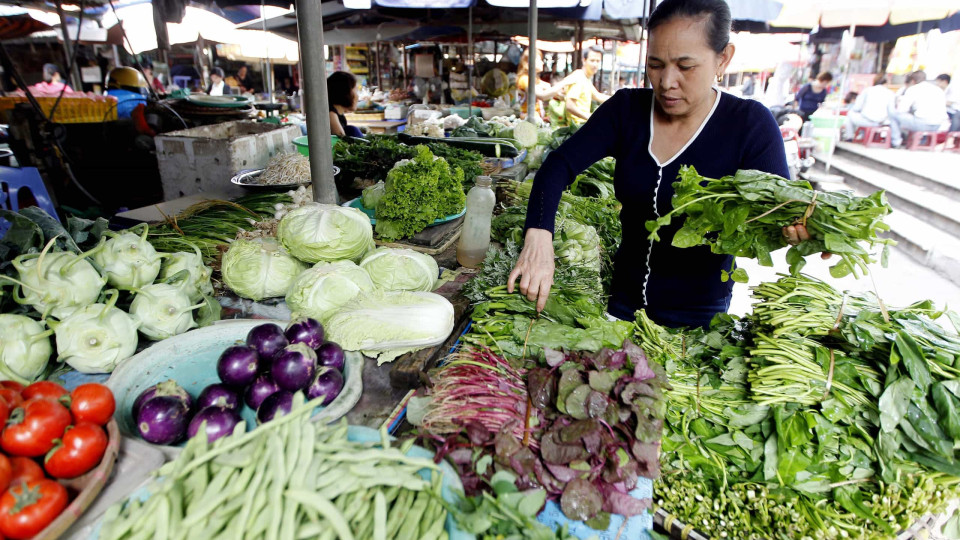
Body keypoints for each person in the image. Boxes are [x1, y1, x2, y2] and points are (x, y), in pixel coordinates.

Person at [507, 0, 815, 330]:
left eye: (685, 66)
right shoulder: (626, 111)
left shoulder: (749, 125)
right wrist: (538, 236)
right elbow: (558, 166)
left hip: (700, 319)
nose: (667, 81)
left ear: (723, 58)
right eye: (655, 64)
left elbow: (780, 214)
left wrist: (804, 231)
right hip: (621, 304)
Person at [889, 70, 949, 148]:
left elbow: (902, 109)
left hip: (922, 124)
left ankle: (896, 142)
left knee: (894, 115)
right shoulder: (938, 89)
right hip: (938, 125)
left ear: (913, 81)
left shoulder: (913, 89)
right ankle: (920, 141)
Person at [516, 49, 574, 122]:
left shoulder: (534, 79)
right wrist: (565, 82)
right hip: (527, 120)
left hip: (535, 118)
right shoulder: (525, 79)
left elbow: (549, 87)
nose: (542, 62)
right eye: (539, 59)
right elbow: (542, 95)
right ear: (529, 62)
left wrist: (562, 91)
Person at [563, 46, 610, 125]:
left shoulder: (585, 78)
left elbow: (597, 96)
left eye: (598, 61)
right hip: (577, 127)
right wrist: (590, 117)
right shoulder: (578, 77)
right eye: (592, 60)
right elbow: (570, 105)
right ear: (584, 60)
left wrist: (621, 98)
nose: (595, 64)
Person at [842, 74, 894, 141]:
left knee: (850, 113)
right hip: (882, 122)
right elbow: (891, 111)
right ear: (886, 83)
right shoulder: (890, 93)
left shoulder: (867, 90)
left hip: (867, 121)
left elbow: (857, 108)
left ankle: (849, 137)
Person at [327, 71, 362, 138]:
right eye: (355, 90)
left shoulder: (338, 114)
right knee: (352, 130)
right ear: (346, 92)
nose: (357, 96)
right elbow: (340, 140)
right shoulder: (331, 114)